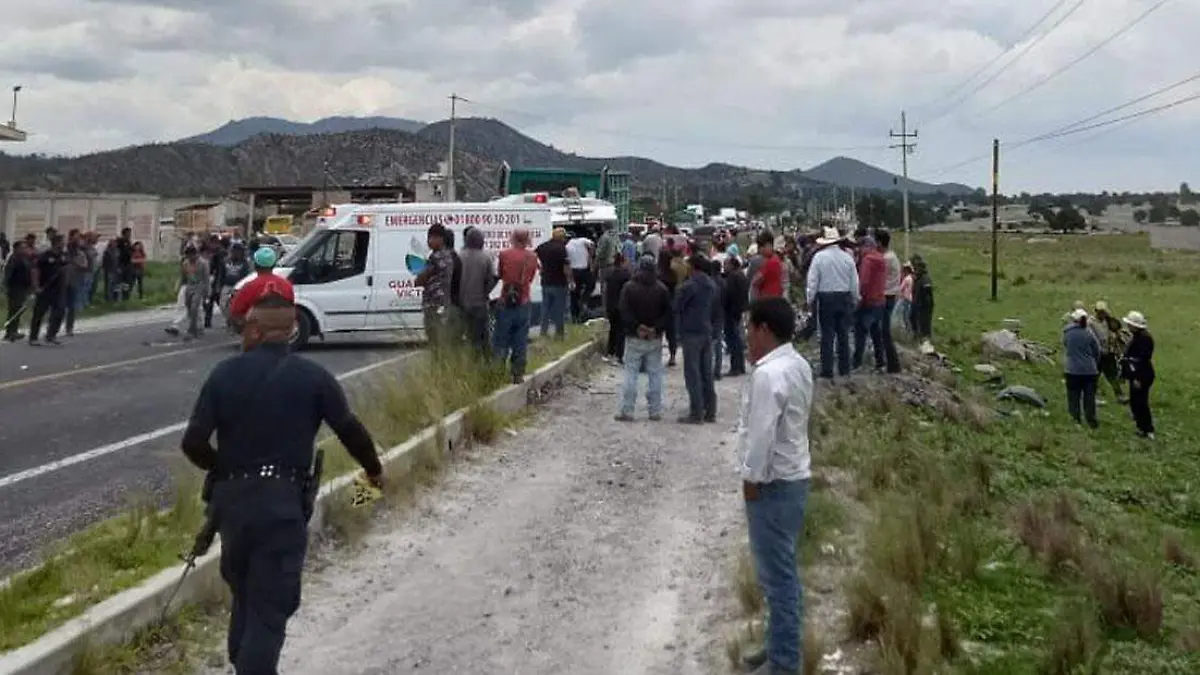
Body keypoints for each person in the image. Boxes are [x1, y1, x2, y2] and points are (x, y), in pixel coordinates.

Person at [180, 292, 384, 675]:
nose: (241, 333)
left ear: (257, 330)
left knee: (246, 596)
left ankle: (244, 664)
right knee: (270, 609)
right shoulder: (314, 378)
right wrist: (373, 471)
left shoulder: (224, 374)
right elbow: (350, 430)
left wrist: (223, 468)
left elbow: (192, 443)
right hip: (281, 508)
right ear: (290, 331)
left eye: (244, 326)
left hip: (231, 508)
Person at [736, 296, 814, 675]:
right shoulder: (796, 364)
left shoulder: (769, 375)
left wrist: (752, 478)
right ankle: (776, 645)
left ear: (764, 329)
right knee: (778, 573)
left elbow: (762, 434)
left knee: (777, 577)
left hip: (773, 483)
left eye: (750, 328)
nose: (747, 335)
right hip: (795, 477)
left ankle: (784, 663)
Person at [615, 255, 672, 421]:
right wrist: (655, 328)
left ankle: (627, 410)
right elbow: (668, 313)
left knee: (630, 373)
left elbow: (623, 311)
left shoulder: (629, 287)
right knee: (655, 374)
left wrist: (637, 327)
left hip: (634, 337)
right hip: (654, 338)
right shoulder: (662, 289)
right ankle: (655, 411)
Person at [805, 227, 859, 380]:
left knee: (827, 335)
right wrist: (855, 298)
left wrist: (810, 299)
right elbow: (854, 281)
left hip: (826, 298)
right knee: (843, 335)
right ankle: (844, 369)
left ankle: (827, 370)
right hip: (845, 297)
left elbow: (813, 281)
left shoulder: (819, 257)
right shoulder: (847, 258)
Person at [676, 254, 718, 424]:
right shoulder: (711, 284)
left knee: (692, 373)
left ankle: (696, 412)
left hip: (691, 331)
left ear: (693, 267)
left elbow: (677, 307)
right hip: (707, 330)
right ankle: (711, 410)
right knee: (706, 372)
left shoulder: (688, 286)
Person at [494, 228, 539, 384]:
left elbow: (500, 274)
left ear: (513, 238)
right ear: (527, 240)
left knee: (501, 340)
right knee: (520, 340)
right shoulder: (532, 257)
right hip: (523, 301)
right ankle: (518, 374)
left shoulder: (504, 254)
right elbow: (531, 278)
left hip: (505, 301)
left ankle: (498, 373)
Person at [227, 247, 295, 332]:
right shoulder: (287, 285)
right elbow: (291, 308)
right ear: (274, 264)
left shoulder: (249, 287)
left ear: (255, 265)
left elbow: (235, 312)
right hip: (281, 336)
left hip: (256, 336)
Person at [457, 228, 497, 357]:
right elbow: (490, 280)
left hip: (461, 303)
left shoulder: (459, 256)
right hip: (479, 303)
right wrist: (485, 293)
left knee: (467, 335)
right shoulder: (485, 258)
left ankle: (470, 362)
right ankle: (483, 362)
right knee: (482, 336)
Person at [414, 224, 454, 348]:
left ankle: (438, 363)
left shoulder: (435, 257)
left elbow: (420, 279)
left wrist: (419, 279)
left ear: (440, 239)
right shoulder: (450, 255)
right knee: (443, 340)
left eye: (432, 238)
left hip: (433, 304)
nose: (429, 241)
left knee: (434, 340)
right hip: (445, 303)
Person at [852, 236, 887, 372]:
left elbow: (864, 281)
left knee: (860, 332)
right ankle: (880, 361)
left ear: (865, 247)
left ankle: (856, 362)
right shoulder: (880, 258)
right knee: (876, 332)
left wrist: (859, 298)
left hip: (868, 301)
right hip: (879, 300)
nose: (858, 251)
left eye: (859, 247)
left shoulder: (867, 260)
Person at [1062, 308, 1102, 429]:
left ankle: (1075, 421)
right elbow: (1097, 350)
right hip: (1090, 370)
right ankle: (1091, 421)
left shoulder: (1067, 333)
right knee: (1089, 398)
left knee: (1073, 397)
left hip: (1072, 370)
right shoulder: (1089, 333)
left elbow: (1065, 345)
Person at [28, 234, 69, 346]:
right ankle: (33, 337)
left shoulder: (63, 256)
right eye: (62, 242)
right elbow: (35, 271)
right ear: (56, 243)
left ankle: (51, 335)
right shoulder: (44, 256)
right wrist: (36, 287)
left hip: (59, 289)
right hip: (45, 289)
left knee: (60, 311)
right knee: (39, 314)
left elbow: (66, 268)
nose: (64, 244)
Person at [1120, 310, 1155, 440]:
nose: (1128, 326)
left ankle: (1147, 429)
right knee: (1135, 402)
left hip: (1141, 376)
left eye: (1129, 324)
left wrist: (1137, 378)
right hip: (1136, 375)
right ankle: (1142, 427)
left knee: (1140, 403)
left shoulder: (1144, 339)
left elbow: (1141, 360)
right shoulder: (1137, 336)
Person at [535, 228, 571, 339]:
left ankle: (543, 332)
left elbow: (533, 257)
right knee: (559, 309)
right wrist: (570, 280)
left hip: (545, 281)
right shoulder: (561, 248)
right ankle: (559, 334)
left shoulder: (542, 246)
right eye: (564, 237)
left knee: (545, 308)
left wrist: (540, 268)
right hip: (559, 282)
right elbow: (566, 267)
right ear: (561, 237)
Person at [875, 230, 902, 373]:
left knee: (884, 332)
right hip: (890, 295)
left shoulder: (886, 259)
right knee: (883, 331)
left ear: (879, 242)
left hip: (887, 296)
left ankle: (892, 364)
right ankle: (889, 363)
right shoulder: (891, 256)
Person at [1091, 301, 1128, 403]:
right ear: (1096, 311)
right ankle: (1092, 396)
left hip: (1108, 352)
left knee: (1112, 375)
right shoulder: (1091, 322)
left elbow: (1117, 327)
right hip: (1097, 354)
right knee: (1094, 376)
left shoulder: (1107, 321)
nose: (1102, 314)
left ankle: (1120, 396)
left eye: (1104, 312)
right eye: (1100, 312)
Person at [722, 256, 750, 376]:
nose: (724, 267)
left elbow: (729, 294)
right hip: (740, 310)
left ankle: (735, 367)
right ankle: (740, 366)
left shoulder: (733, 277)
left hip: (732, 312)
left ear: (732, 265)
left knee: (733, 340)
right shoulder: (741, 275)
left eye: (726, 264)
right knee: (737, 339)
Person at [603, 252, 631, 364]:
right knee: (621, 331)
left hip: (611, 305)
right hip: (621, 306)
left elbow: (605, 290)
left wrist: (605, 306)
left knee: (613, 330)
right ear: (623, 261)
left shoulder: (609, 273)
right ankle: (619, 355)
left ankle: (610, 352)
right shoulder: (626, 274)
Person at [3, 241, 33, 342]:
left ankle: (13, 331)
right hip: (15, 288)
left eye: (25, 247)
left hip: (23, 288)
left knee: (18, 310)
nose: (24, 249)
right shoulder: (14, 258)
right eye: (22, 248)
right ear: (16, 249)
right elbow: (8, 274)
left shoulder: (24, 258)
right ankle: (10, 332)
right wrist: (6, 286)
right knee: (14, 310)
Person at [218, 243, 253, 328]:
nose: (236, 253)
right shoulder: (225, 261)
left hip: (239, 287)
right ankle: (229, 319)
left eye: (238, 251)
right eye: (234, 251)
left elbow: (248, 276)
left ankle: (235, 322)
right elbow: (221, 274)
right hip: (227, 285)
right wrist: (218, 286)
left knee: (236, 305)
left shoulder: (245, 263)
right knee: (223, 304)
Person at [566, 232, 594, 323]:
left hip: (574, 271)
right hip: (584, 270)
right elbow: (592, 244)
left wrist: (569, 278)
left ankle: (575, 316)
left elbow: (567, 263)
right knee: (591, 285)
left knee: (574, 294)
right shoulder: (582, 240)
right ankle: (584, 300)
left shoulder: (567, 246)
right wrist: (590, 258)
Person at [910, 255, 935, 341]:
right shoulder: (918, 278)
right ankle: (917, 335)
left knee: (924, 324)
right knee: (913, 318)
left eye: (917, 268)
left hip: (924, 306)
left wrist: (922, 305)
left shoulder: (925, 279)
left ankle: (925, 339)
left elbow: (927, 294)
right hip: (917, 304)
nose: (915, 270)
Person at [896, 262, 915, 335]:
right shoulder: (911, 278)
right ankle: (909, 330)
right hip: (910, 298)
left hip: (906, 298)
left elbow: (901, 288)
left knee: (905, 316)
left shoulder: (906, 279)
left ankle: (908, 331)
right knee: (906, 315)